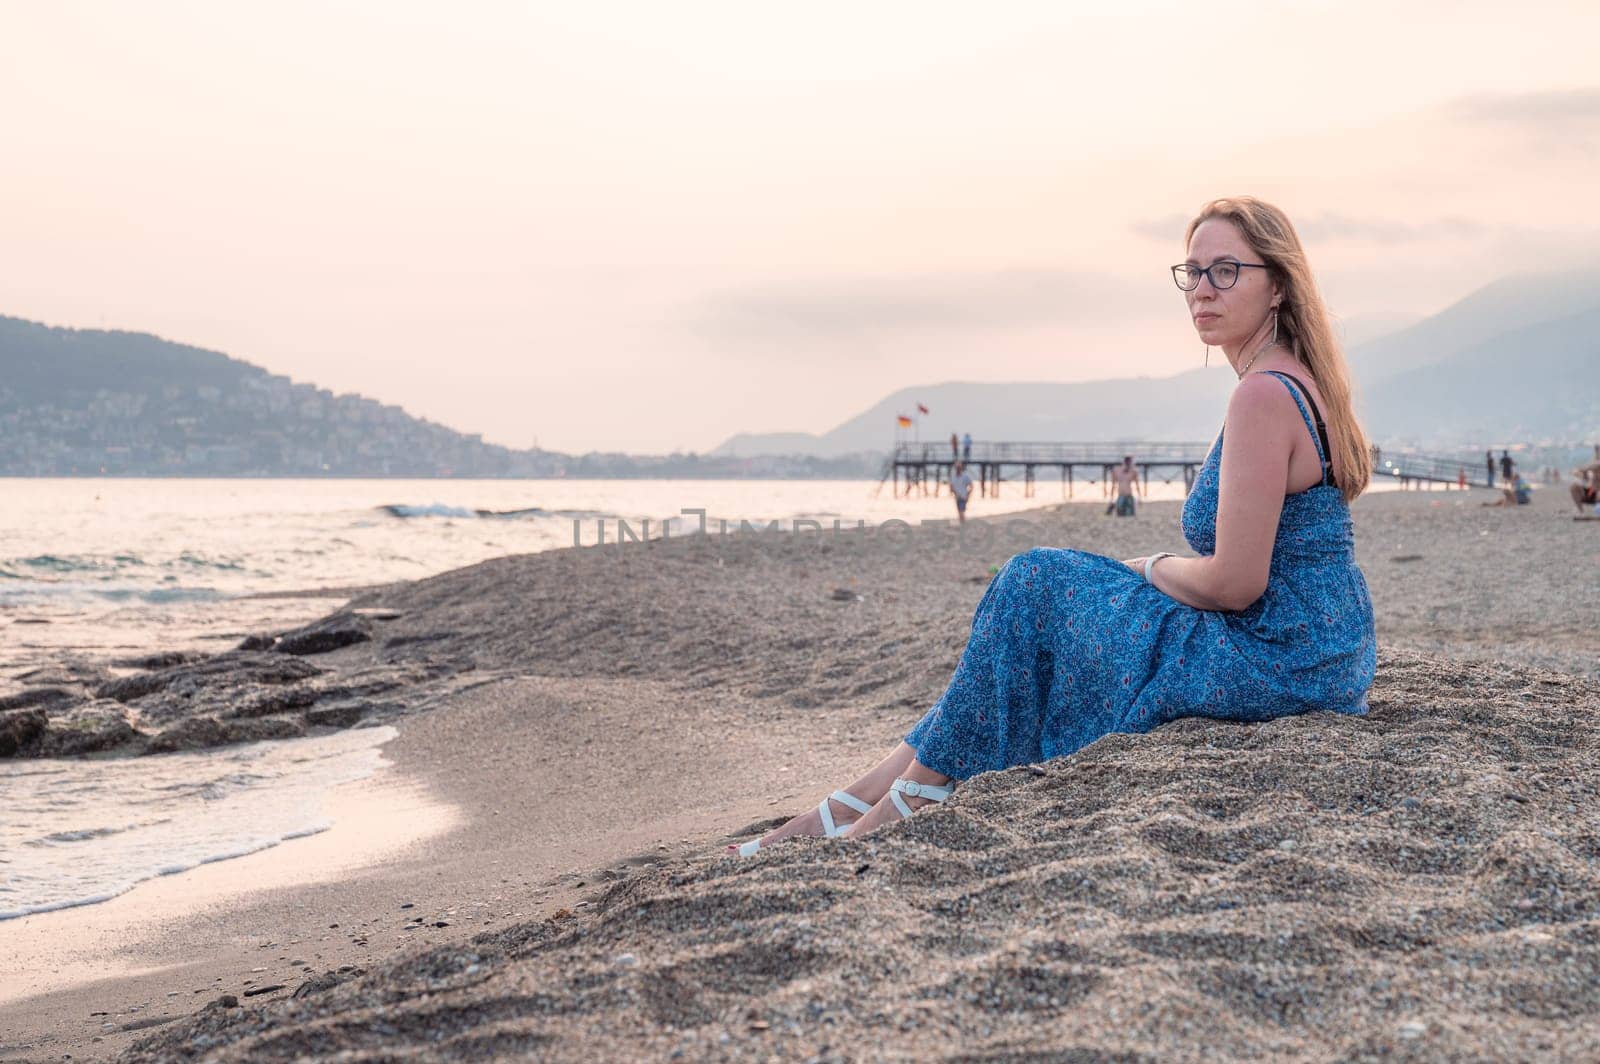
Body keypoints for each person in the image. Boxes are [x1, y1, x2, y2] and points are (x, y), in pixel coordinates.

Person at [734, 197, 1376, 853]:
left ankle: (896, 799)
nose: (1202, 292)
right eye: (1192, 272)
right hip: (1321, 649)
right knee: (1028, 620)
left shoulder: (1263, 394)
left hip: (1280, 658)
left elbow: (1237, 582)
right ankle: (868, 797)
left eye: (1226, 272)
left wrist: (1147, 569)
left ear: (1277, 285)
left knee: (1034, 582)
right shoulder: (1293, 378)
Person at [1570, 447, 1600, 514]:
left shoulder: (1596, 464)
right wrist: (1580, 472)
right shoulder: (1594, 465)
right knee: (1574, 486)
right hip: (1593, 492)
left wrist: (1580, 469)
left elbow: (1595, 465)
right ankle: (1580, 511)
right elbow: (1581, 471)